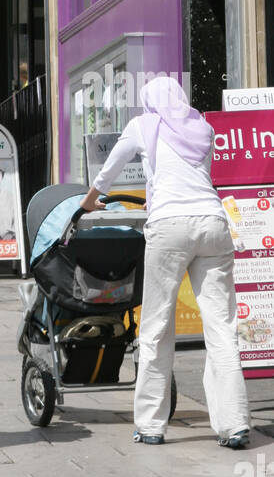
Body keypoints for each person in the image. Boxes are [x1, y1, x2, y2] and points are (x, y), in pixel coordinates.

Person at [79, 75, 250, 449]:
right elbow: (194, 176)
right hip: (213, 223)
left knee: (156, 326)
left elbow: (110, 168)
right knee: (221, 327)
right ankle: (235, 424)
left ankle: (152, 425)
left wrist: (90, 200)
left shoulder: (144, 125)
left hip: (169, 226)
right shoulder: (202, 126)